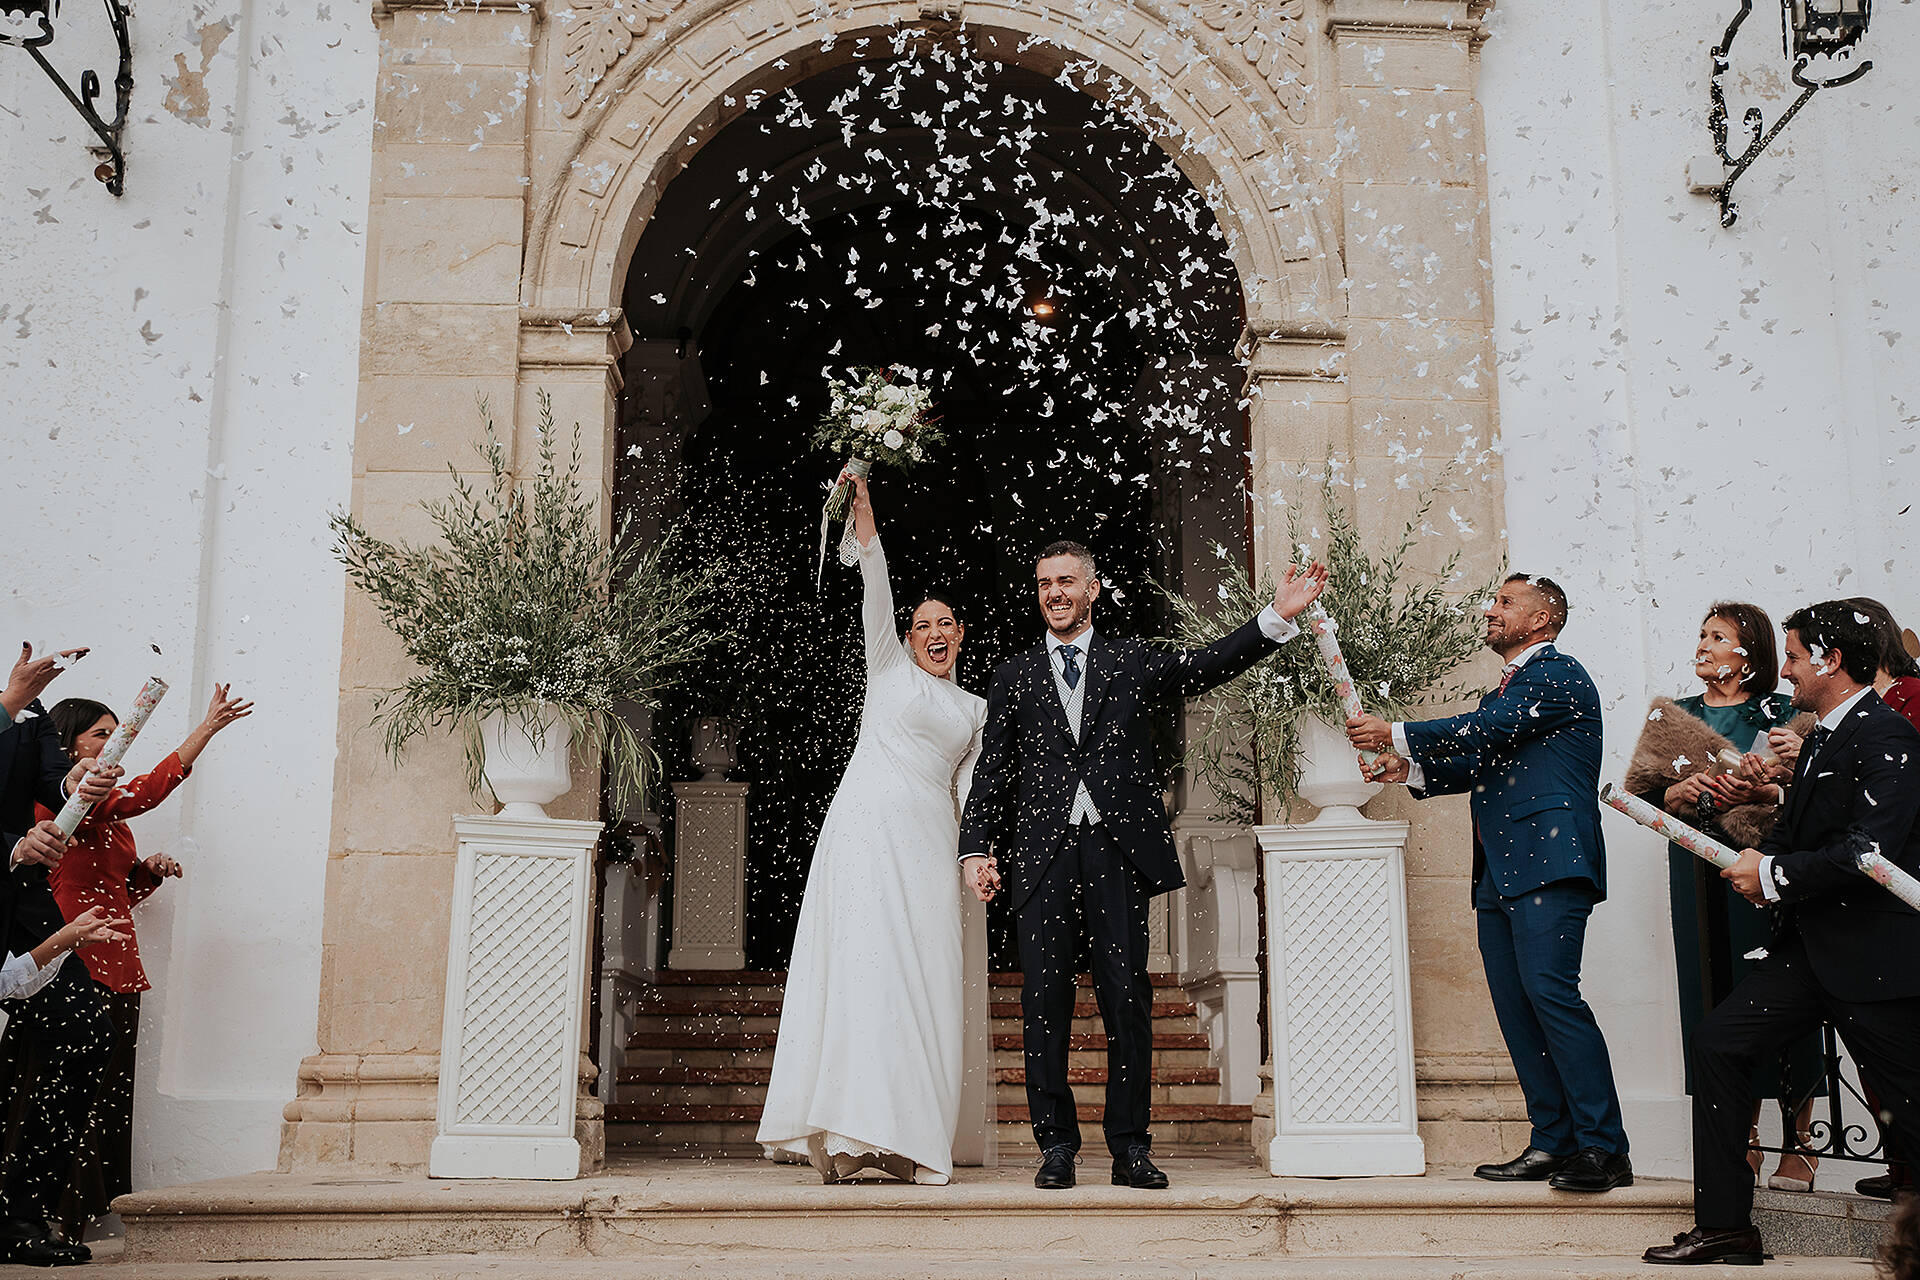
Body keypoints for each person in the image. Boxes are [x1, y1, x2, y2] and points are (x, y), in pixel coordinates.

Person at [958, 540, 1327, 1191]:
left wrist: (1274, 618)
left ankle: (1130, 1147)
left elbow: (1203, 666)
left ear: (1092, 588)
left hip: (1115, 852)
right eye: (1044, 584)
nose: (1055, 593)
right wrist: (975, 847)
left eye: (1066, 581)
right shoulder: (1014, 674)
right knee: (1044, 1004)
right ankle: (1056, 1147)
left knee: (1127, 999)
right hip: (1042, 857)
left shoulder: (1129, 660)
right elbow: (994, 767)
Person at [1643, 600, 1920, 1266]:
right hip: (1809, 952)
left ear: (1831, 661)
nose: (1786, 668)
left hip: (1877, 959)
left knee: (1911, 1107)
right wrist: (1754, 856)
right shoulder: (1823, 736)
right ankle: (1726, 1227)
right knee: (1717, 1043)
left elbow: (1868, 851)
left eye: (1794, 656)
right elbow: (1797, 834)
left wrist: (1772, 874)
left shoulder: (1887, 735)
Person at [1347, 573, 1631, 1193]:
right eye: (1493, 601)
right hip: (1500, 869)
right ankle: (1553, 1140)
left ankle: (1605, 1148)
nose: (1490, 610)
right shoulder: (1506, 691)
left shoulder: (1557, 673)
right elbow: (1478, 759)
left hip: (1551, 861)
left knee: (1552, 997)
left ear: (1542, 618)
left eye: (1506, 602)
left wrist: (1396, 731)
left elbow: (1488, 728)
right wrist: (1406, 768)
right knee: (1516, 1006)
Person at [756, 471, 991, 1185]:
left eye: (946, 623)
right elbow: (876, 588)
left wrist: (978, 856)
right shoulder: (886, 669)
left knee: (925, 981)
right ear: (908, 638)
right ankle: (849, 1133)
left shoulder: (976, 710)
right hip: (862, 832)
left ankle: (913, 1139)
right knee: (864, 974)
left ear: (961, 634)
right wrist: (865, 517)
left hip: (930, 845)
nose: (934, 633)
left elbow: (970, 791)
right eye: (923, 625)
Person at [36, 685, 251, 1234]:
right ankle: (45, 1215)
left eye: (117, 733)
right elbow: (144, 794)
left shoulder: (111, 819)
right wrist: (206, 729)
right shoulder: (61, 803)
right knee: (67, 1094)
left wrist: (147, 873)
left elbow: (113, 893)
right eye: (102, 735)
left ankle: (80, 1216)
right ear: (67, 743)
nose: (116, 744)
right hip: (72, 965)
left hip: (120, 966)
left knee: (105, 1096)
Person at [1623, 602, 1822, 1191]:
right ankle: (1744, 1139)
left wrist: (1767, 788)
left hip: (1770, 873)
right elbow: (1642, 799)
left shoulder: (1787, 713)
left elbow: (1818, 796)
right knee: (1714, 999)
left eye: (1718, 637)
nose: (1703, 646)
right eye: (1702, 634)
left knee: (1785, 998)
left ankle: (1801, 1141)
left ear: (1749, 651)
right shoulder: (1673, 718)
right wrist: (1678, 794)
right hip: (1697, 875)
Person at [0, 644, 122, 1266]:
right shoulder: (15, 708)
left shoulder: (39, 719)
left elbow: (55, 782)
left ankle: (21, 1213)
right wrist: (6, 704)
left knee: (84, 1031)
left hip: (24, 901)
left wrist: (77, 783)